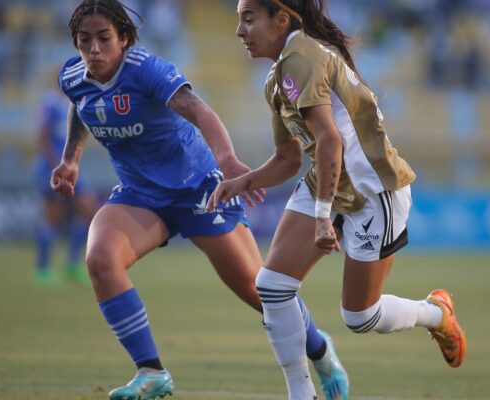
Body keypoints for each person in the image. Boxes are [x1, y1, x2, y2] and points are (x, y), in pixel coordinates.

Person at [52, 1, 349, 399]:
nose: (94, 49)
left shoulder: (145, 70)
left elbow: (198, 110)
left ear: (123, 38)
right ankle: (151, 371)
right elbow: (82, 107)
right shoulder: (73, 77)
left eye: (104, 38)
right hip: (141, 195)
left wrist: (227, 161)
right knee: (100, 260)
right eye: (84, 40)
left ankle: (319, 350)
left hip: (199, 188)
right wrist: (70, 160)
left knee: (261, 293)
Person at [209, 1, 467, 398]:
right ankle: (302, 393)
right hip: (327, 179)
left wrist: (322, 216)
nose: (240, 32)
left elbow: (330, 140)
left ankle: (436, 314)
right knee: (273, 286)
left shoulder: (302, 58)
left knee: (360, 316)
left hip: (373, 190)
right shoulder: (277, 78)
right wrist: (243, 182)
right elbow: (288, 159)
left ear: (281, 20)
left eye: (248, 19)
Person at [33, 78, 96, 287]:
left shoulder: (74, 101)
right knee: (54, 218)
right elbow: (43, 137)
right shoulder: (50, 102)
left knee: (89, 212)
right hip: (52, 168)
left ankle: (72, 265)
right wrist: (56, 166)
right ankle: (42, 271)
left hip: (70, 167)